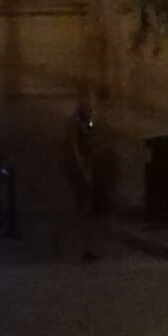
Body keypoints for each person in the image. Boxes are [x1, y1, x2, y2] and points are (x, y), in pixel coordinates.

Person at [63, 105, 108, 263]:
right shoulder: (77, 129)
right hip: (82, 171)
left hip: (88, 169)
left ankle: (86, 247)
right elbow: (76, 150)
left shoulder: (87, 128)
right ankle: (82, 247)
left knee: (86, 210)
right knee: (83, 210)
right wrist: (84, 171)